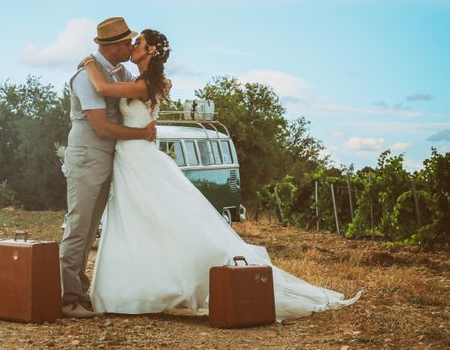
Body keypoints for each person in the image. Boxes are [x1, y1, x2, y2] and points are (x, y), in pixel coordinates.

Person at [81, 29, 362, 320]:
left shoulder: (146, 85)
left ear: (151, 50)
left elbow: (102, 88)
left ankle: (163, 282)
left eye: (138, 42)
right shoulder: (142, 81)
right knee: (139, 222)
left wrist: (90, 62)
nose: (133, 45)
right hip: (131, 157)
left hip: (138, 157)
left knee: (156, 220)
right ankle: (139, 287)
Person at [59, 16, 157, 319]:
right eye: (128, 42)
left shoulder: (122, 72)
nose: (131, 45)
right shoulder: (85, 78)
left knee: (90, 231)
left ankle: (79, 290)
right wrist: (142, 134)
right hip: (88, 157)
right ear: (114, 47)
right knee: (78, 227)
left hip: (107, 159)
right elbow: (101, 128)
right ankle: (66, 298)